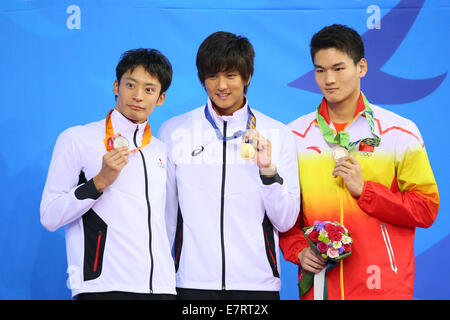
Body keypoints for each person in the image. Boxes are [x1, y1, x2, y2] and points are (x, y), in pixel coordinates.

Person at [279, 24, 439, 300]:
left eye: (338, 68)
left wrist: (366, 191)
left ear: (361, 67)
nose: (329, 79)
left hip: (384, 287)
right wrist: (298, 250)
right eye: (320, 70)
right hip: (321, 287)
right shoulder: (294, 136)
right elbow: (284, 214)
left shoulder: (399, 132)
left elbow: (426, 208)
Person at [158, 31, 300, 300]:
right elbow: (165, 216)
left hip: (257, 284)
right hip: (191, 282)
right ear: (202, 79)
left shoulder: (278, 134)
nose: (221, 85)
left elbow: (286, 219)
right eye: (212, 76)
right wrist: (165, 277)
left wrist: (267, 170)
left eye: (231, 75)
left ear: (247, 77)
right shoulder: (174, 131)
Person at [40, 48, 176, 300]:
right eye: (130, 85)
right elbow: (49, 216)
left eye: (149, 89)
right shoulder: (78, 139)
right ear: (116, 86)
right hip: (103, 287)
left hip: (161, 288)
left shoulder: (160, 150)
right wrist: (99, 182)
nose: (137, 96)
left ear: (160, 99)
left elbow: (166, 222)